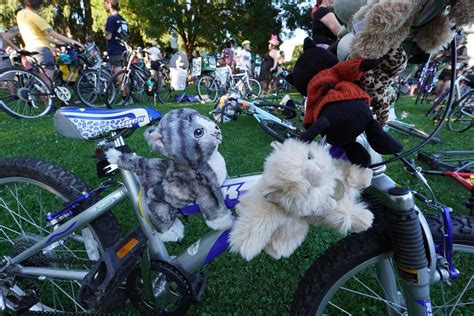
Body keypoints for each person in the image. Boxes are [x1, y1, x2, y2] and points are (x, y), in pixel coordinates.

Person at [16, 0, 82, 88]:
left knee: (41, 81)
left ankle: (38, 98)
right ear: (40, 6)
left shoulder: (20, 14)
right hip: (41, 51)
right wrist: (74, 42)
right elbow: (52, 33)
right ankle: (48, 101)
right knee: (47, 82)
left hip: (29, 50)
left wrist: (61, 43)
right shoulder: (35, 17)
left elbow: (44, 37)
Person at [103, 0, 129, 103]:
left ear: (109, 4)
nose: (104, 6)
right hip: (123, 49)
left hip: (115, 49)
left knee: (119, 75)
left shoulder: (111, 18)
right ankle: (127, 95)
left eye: (105, 3)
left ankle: (126, 97)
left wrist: (104, 30)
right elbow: (127, 36)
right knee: (123, 74)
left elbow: (108, 36)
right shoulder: (123, 19)